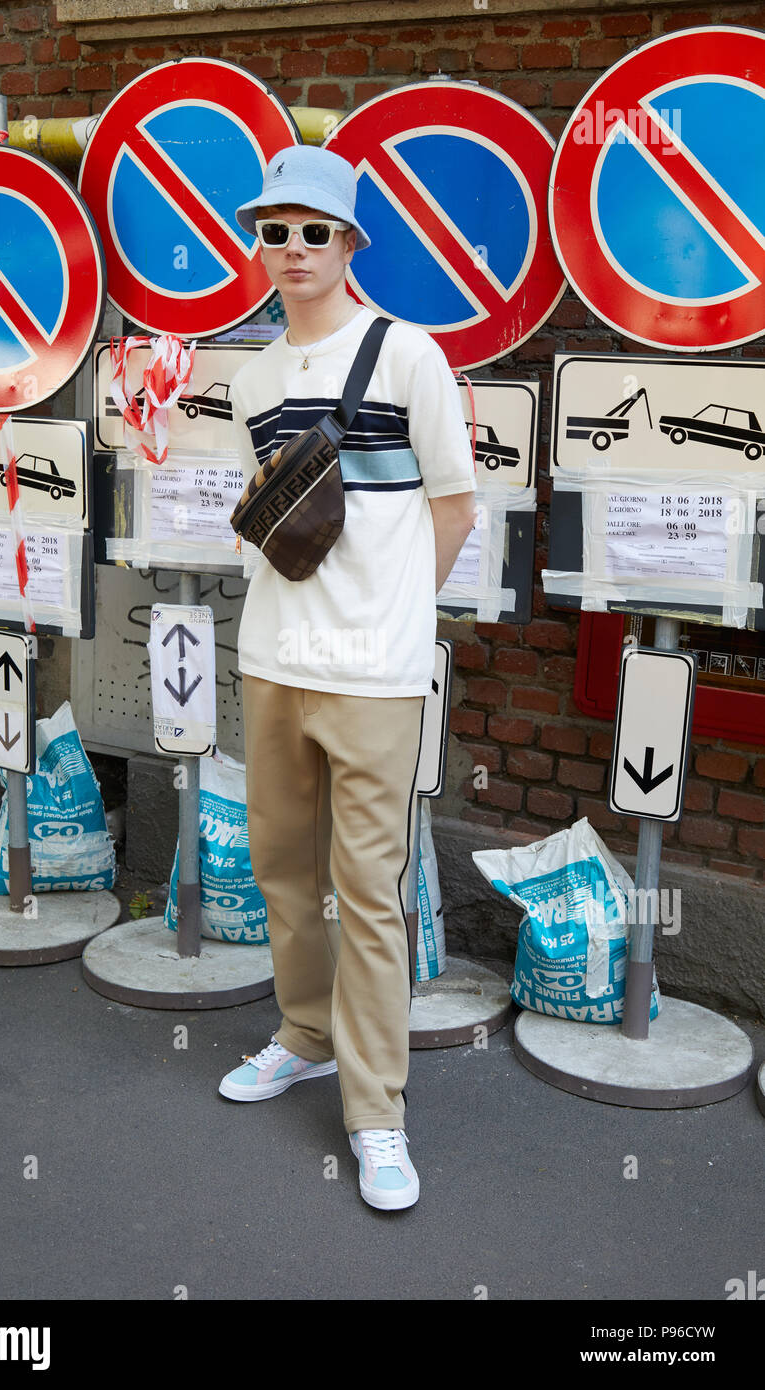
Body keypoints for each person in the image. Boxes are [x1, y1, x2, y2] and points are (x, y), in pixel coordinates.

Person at [219, 144, 477, 1211]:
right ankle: (303, 1035)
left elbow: (454, 507)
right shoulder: (253, 377)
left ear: (348, 243)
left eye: (311, 230)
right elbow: (264, 518)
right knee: (282, 869)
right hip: (271, 659)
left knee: (367, 892)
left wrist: (395, 619)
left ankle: (377, 1114)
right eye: (273, 229)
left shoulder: (408, 355)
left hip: (372, 672)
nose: (290, 249)